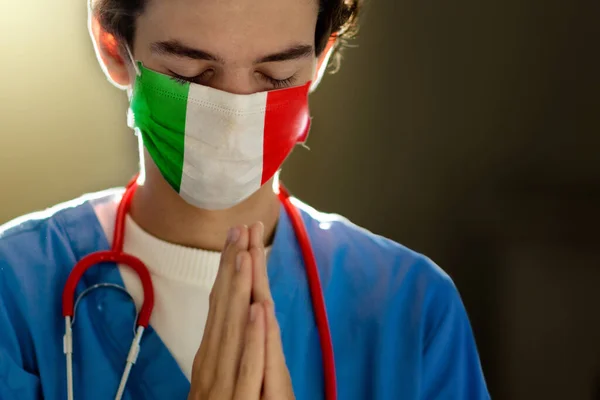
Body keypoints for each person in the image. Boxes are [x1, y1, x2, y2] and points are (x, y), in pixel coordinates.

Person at [0, 0, 490, 398]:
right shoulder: (16, 291)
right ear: (113, 47)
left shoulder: (411, 307)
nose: (234, 117)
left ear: (319, 61)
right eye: (191, 73)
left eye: (276, 77)